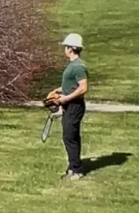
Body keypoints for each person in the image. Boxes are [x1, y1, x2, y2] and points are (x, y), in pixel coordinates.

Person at [48, 33, 89, 180]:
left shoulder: (78, 66)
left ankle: (76, 170)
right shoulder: (73, 65)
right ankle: (74, 166)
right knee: (70, 136)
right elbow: (71, 85)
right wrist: (59, 90)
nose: (64, 49)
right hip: (70, 105)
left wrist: (66, 98)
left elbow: (83, 87)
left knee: (69, 137)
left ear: (71, 49)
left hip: (74, 106)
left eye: (66, 46)